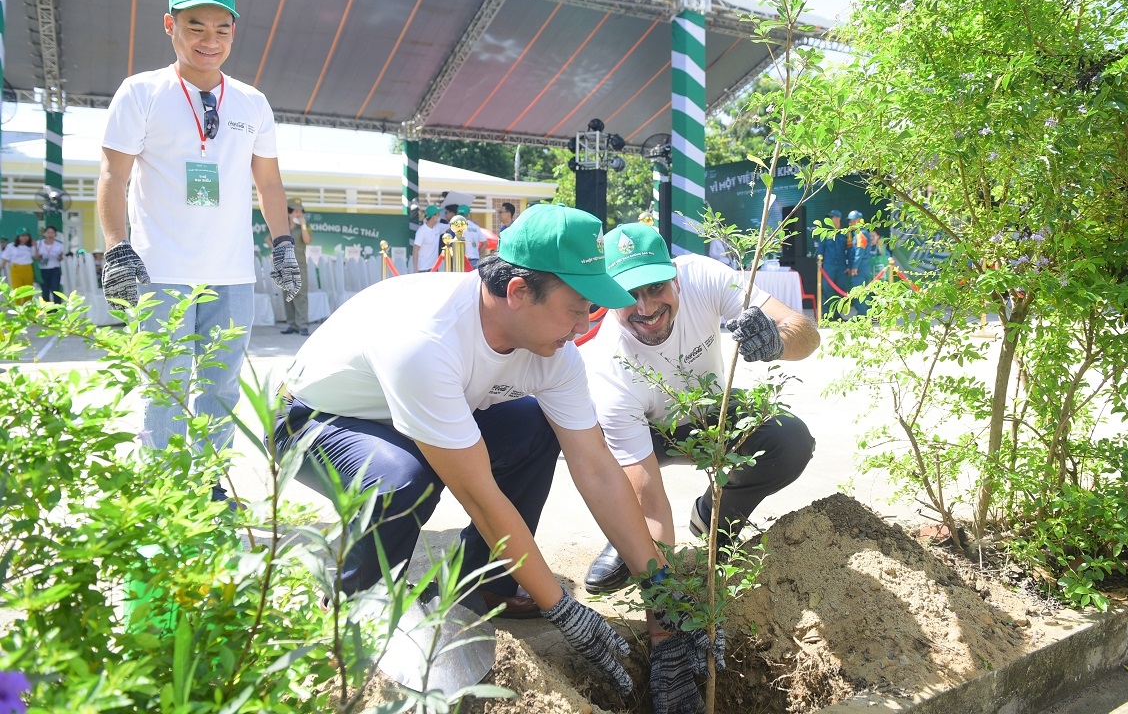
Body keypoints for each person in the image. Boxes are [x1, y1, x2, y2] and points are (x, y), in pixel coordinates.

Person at [274, 204, 720, 710]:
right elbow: (480, 497)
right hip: (314, 419)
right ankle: (356, 601)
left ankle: (482, 583)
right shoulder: (427, 342)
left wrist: (665, 599)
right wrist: (562, 608)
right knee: (404, 476)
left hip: (416, 412)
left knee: (536, 427)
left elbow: (597, 468)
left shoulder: (553, 351)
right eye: (578, 308)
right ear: (517, 292)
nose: (583, 326)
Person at [96, 0, 300, 484]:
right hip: (158, 271)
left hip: (230, 275)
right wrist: (116, 248)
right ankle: (163, 494)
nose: (210, 40)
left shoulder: (252, 103)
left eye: (221, 29)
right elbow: (112, 174)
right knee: (162, 387)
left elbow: (269, 184)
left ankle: (209, 487)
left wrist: (283, 246)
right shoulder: (141, 92)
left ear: (234, 31)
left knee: (220, 388)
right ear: (170, 26)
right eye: (195, 27)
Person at [580, 222, 820, 596]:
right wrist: (666, 612)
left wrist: (777, 342)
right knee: (615, 478)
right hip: (646, 431)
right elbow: (650, 499)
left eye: (655, 287)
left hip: (710, 412)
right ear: (608, 297)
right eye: (628, 295)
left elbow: (806, 332)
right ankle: (626, 538)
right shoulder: (609, 369)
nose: (646, 308)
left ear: (675, 277)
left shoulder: (703, 276)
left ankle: (713, 520)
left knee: (790, 440)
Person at [280, 198, 312, 336]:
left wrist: (303, 224)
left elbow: (307, 240)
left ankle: (303, 325)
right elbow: (269, 239)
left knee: (301, 295)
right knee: (287, 295)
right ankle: (292, 324)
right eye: (295, 211)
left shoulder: (305, 227)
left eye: (300, 211)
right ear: (289, 212)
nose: (298, 213)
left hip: (299, 266)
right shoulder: (282, 227)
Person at [817, 209, 848, 319]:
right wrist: (820, 264)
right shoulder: (825, 233)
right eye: (830, 217)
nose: (831, 219)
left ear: (838, 218)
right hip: (828, 267)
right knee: (827, 290)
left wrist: (849, 266)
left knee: (840, 290)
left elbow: (849, 250)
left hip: (841, 267)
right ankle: (826, 316)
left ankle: (837, 315)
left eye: (833, 217)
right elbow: (820, 251)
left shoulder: (845, 233)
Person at [846, 210, 871, 317]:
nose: (850, 223)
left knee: (860, 291)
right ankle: (868, 314)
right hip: (862, 267)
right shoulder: (857, 234)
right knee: (862, 291)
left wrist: (855, 267)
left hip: (860, 268)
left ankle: (863, 315)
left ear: (859, 221)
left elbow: (859, 252)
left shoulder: (861, 234)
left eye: (852, 221)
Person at [33, 225, 66, 303]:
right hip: (43, 270)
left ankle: (57, 308)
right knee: (45, 290)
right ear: (44, 234)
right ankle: (47, 311)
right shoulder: (39, 243)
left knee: (55, 289)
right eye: (48, 232)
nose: (50, 235)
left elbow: (60, 259)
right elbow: (35, 257)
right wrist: (35, 248)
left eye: (52, 233)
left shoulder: (59, 245)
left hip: (55, 269)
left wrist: (60, 256)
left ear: (55, 234)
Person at [1, 230, 37, 302]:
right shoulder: (11, 246)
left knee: (28, 290)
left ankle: (27, 309)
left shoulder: (30, 246)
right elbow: (5, 259)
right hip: (16, 269)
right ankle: (18, 310)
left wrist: (35, 246)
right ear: (18, 237)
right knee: (17, 290)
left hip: (28, 268)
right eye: (22, 236)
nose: (25, 238)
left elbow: (36, 257)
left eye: (26, 236)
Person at [412, 204, 448, 272]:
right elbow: (415, 250)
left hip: (434, 268)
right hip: (422, 269)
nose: (439, 216)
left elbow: (451, 226)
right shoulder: (422, 231)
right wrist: (415, 268)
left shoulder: (438, 227)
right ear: (433, 216)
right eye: (438, 214)